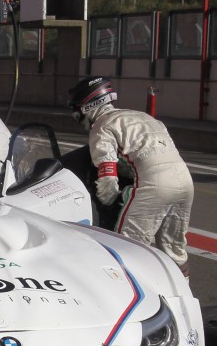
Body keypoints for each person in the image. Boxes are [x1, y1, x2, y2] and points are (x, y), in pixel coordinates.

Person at [67, 76, 194, 274]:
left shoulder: (101, 126)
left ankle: (130, 299)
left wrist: (109, 202)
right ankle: (184, 295)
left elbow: (107, 176)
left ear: (85, 108)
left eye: (76, 114)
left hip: (154, 184)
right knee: (174, 250)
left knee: (126, 249)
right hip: (185, 181)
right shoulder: (145, 117)